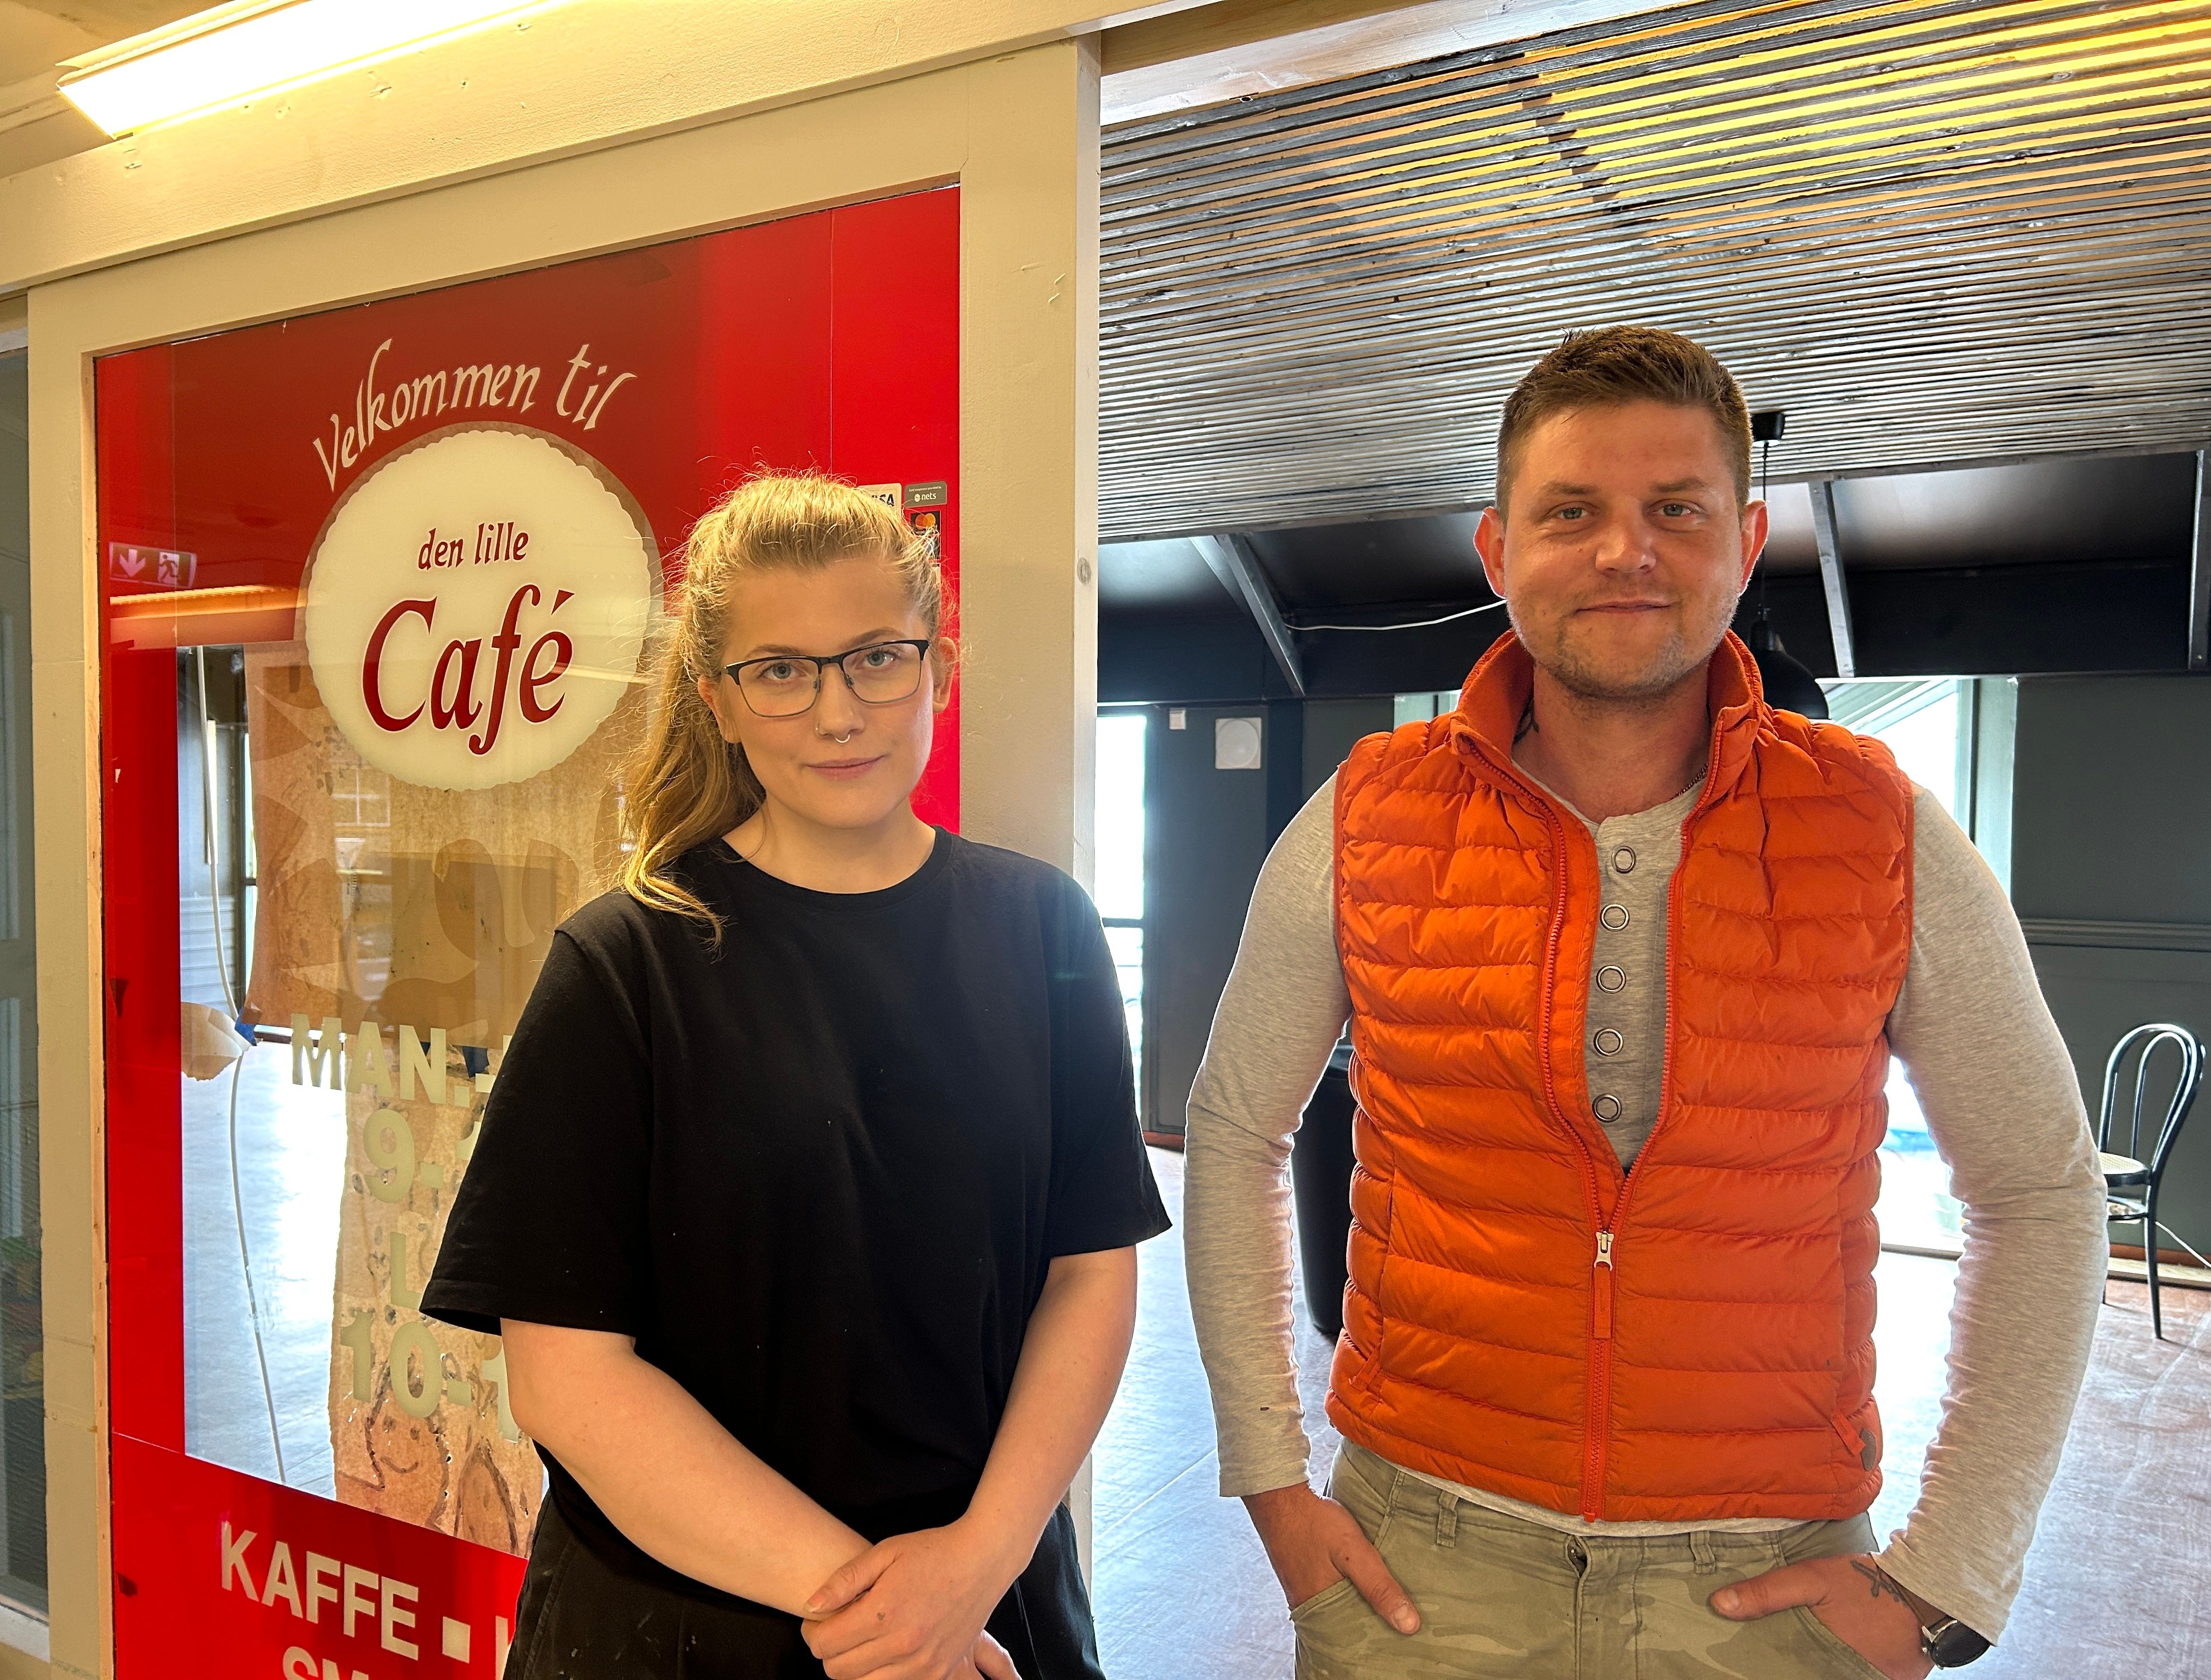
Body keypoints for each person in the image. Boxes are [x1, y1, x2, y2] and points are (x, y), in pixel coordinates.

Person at [1183, 327, 2107, 1679]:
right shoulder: (1367, 813)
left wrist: (1948, 1575)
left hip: (1766, 1586)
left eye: (1676, 510)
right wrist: (1270, 1481)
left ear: (1746, 541)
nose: (1626, 551)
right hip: (1421, 1570)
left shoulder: (1880, 825)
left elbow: (2039, 1190)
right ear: (1499, 551)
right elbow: (1231, 1131)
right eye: (1573, 512)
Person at [423, 472, 1169, 1680]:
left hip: (988, 1600)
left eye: (877, 658)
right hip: (684, 1628)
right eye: (781, 671)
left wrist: (977, 1561)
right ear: (718, 701)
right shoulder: (625, 965)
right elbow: (567, 1375)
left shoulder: (1044, 928)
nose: (838, 713)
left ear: (939, 668)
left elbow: (1089, 1272)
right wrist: (884, 1615)